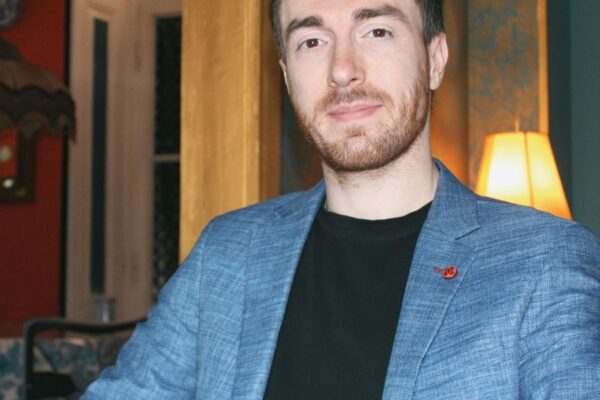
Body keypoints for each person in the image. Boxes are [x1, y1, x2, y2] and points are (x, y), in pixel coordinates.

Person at [83, 0, 600, 398]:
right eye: (311, 41)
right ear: (287, 76)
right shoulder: (228, 252)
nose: (342, 69)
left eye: (376, 31)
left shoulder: (543, 262)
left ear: (435, 59)